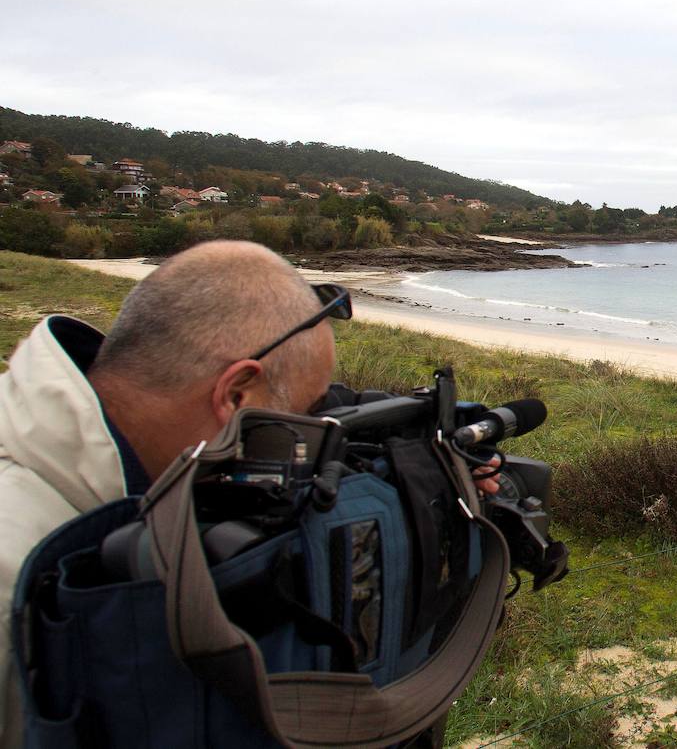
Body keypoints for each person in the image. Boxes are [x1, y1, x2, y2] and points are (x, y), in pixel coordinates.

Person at [0, 240, 496, 747]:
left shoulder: (138, 466)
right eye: (306, 414)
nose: (311, 439)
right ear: (237, 396)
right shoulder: (15, 569)